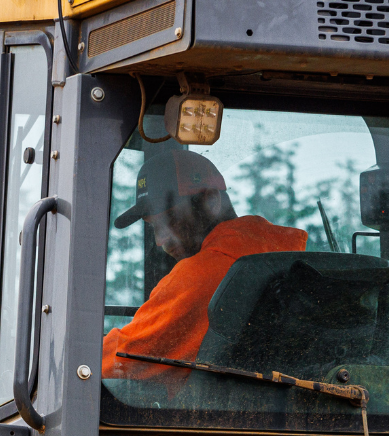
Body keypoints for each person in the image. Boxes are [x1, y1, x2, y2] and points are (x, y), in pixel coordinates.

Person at [102, 146, 306, 379]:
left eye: (168, 221)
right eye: (154, 228)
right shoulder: (293, 257)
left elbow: (121, 357)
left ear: (210, 201)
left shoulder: (198, 276)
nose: (160, 241)